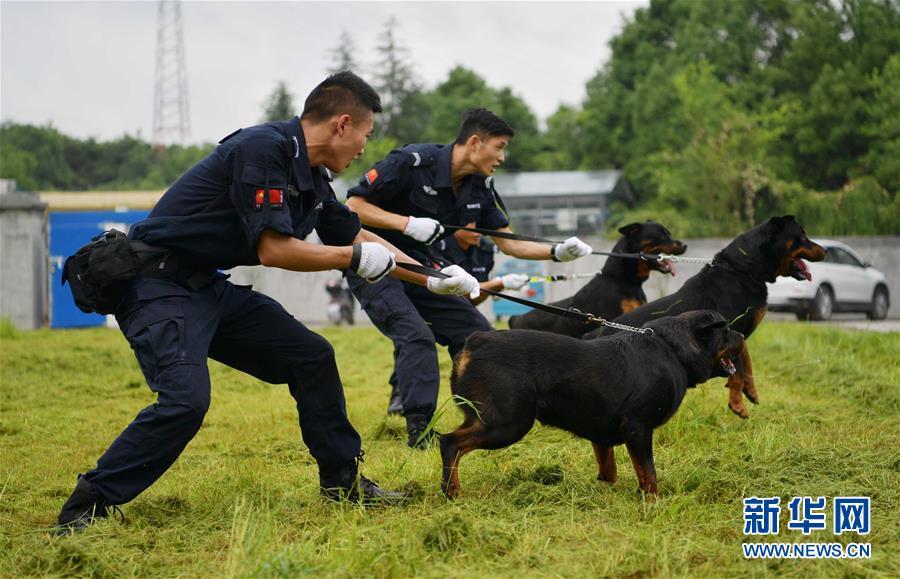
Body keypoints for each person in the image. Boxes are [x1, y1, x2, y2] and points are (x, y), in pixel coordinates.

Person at [53, 72, 481, 534]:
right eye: (365, 134)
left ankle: (343, 482)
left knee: (311, 356)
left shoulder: (311, 177)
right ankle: (86, 505)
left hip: (203, 285)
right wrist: (355, 259)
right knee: (185, 402)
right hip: (157, 288)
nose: (363, 148)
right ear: (342, 124)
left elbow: (354, 233)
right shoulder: (263, 150)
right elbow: (275, 250)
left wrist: (431, 276)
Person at [345, 108, 593, 448]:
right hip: (375, 262)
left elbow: (507, 241)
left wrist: (555, 251)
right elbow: (354, 206)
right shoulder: (411, 162)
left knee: (476, 336)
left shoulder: (480, 185)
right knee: (415, 335)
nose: (502, 157)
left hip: (422, 265)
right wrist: (405, 224)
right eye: (500, 147)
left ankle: (484, 414)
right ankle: (419, 430)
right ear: (475, 142)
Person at [385, 226, 529, 414]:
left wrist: (496, 286)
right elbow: (444, 285)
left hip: (451, 301)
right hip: (419, 290)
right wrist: (498, 283)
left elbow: (471, 297)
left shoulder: (484, 251)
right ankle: (401, 396)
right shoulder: (436, 245)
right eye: (471, 225)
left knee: (480, 332)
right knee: (415, 334)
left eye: (481, 225)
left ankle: (479, 398)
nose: (478, 230)